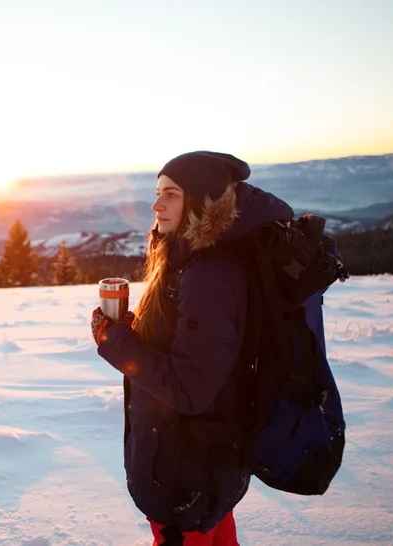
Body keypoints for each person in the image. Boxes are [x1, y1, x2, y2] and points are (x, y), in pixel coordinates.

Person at [90, 151, 296, 546]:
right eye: (157, 192)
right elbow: (198, 354)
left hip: (186, 467)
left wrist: (114, 341)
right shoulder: (196, 263)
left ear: (200, 201)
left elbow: (189, 388)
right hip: (208, 457)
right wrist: (134, 334)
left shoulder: (208, 275)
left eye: (171, 194)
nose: (156, 204)